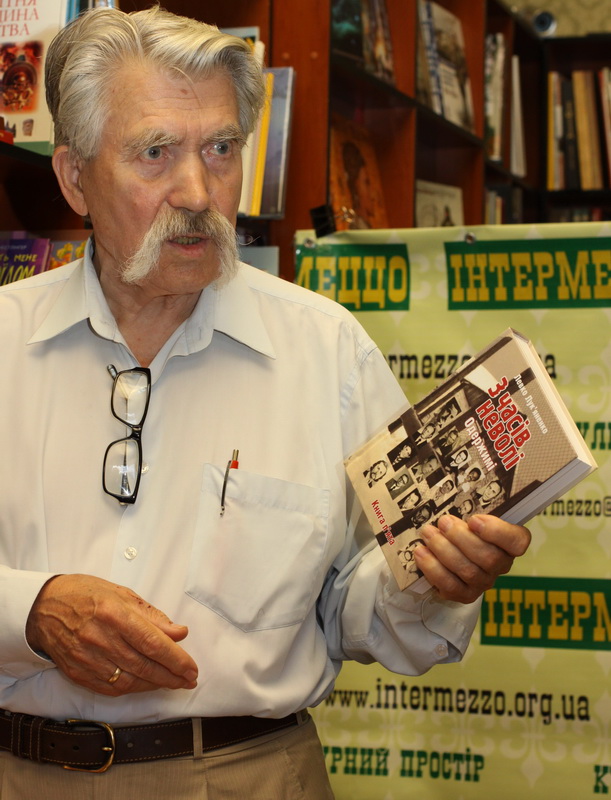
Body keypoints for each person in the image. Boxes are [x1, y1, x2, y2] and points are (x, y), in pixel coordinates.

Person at [0, 5, 531, 799]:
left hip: (248, 776)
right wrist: (29, 610)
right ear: (74, 177)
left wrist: (433, 580)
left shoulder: (326, 350)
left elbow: (358, 605)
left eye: (220, 149)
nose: (197, 191)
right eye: (155, 152)